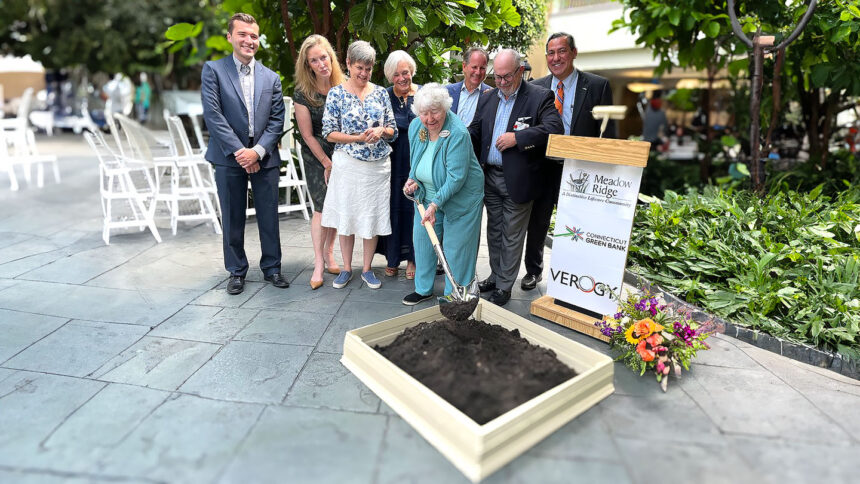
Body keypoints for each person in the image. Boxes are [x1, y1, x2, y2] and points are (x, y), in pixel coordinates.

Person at [201, 12, 288, 295]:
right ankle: (236, 271)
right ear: (230, 37)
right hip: (229, 155)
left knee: (268, 215)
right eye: (242, 34)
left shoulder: (271, 78)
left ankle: (272, 268)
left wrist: (258, 152)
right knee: (232, 214)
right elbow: (213, 116)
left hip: (264, 155)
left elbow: (277, 120)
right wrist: (241, 152)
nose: (249, 40)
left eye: (253, 36)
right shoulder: (213, 70)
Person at [468, 49, 563, 306]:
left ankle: (505, 286)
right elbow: (476, 130)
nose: (500, 82)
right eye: (496, 77)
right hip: (490, 177)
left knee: (511, 233)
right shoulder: (488, 98)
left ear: (520, 71)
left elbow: (554, 129)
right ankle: (496, 275)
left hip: (519, 180)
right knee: (495, 231)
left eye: (506, 77)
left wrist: (518, 138)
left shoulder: (539, 97)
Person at [521, 32, 615, 291]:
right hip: (542, 166)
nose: (555, 57)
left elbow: (609, 134)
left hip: (579, 171)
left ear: (574, 52)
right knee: (537, 222)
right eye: (550, 53)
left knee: (576, 224)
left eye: (561, 51)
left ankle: (573, 274)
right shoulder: (536, 87)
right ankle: (533, 270)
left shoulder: (597, 86)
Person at [321, 40, 397, 290]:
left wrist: (380, 131)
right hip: (348, 164)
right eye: (359, 68)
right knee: (347, 215)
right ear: (348, 64)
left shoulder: (380, 93)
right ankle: (345, 269)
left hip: (377, 167)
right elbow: (329, 133)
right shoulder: (336, 93)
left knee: (371, 216)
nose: (364, 73)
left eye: (368, 68)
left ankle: (366, 269)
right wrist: (358, 137)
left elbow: (393, 129)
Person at [402, 84, 484, 306]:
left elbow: (456, 178)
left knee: (457, 249)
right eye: (424, 113)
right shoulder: (416, 127)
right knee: (423, 242)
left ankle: (455, 294)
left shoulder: (457, 133)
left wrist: (436, 204)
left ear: (445, 109)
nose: (429, 119)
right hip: (427, 195)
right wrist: (413, 180)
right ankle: (423, 289)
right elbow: (417, 161)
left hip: (461, 198)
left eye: (435, 111)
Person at [293, 34, 345, 290]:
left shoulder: (343, 85)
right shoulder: (303, 92)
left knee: (336, 206)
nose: (321, 63)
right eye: (314, 60)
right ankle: (317, 263)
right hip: (317, 155)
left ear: (331, 57)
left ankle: (330, 252)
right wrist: (326, 162)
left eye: (324, 57)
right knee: (322, 208)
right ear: (308, 65)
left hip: (343, 153)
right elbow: (306, 134)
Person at [376, 50, 418, 280]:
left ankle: (413, 258)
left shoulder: (421, 94)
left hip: (416, 161)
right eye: (396, 75)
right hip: (391, 162)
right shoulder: (383, 96)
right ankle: (392, 258)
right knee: (392, 208)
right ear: (390, 77)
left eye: (405, 73)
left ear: (412, 72)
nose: (402, 78)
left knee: (414, 209)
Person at [446, 46, 491, 127]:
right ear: (464, 66)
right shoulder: (447, 92)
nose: (478, 72)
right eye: (474, 67)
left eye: (482, 68)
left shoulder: (491, 95)